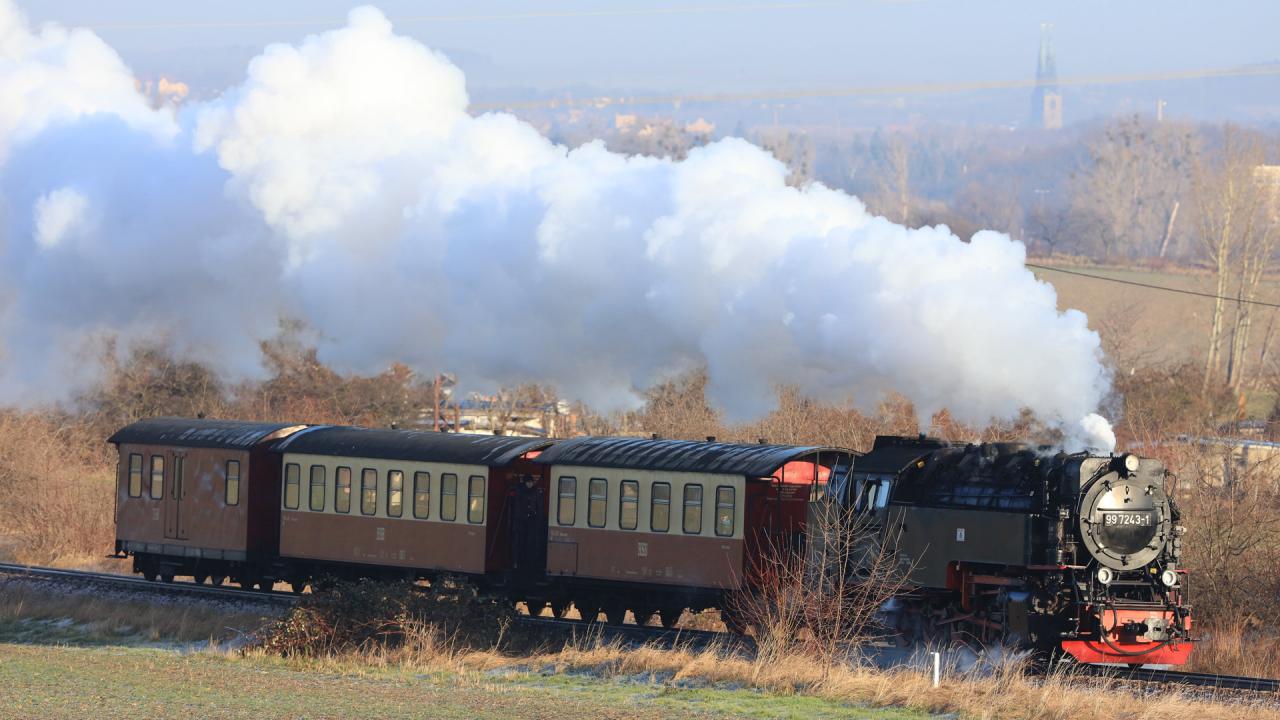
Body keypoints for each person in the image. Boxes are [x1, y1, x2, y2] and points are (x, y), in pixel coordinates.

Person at [511, 474, 546, 576]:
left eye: (531, 482)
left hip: (531, 521)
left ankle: (529, 563)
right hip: (521, 522)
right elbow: (517, 507)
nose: (530, 484)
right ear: (525, 483)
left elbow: (539, 507)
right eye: (528, 482)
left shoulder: (535, 492)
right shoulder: (520, 492)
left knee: (531, 543)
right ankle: (519, 562)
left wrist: (537, 518)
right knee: (520, 542)